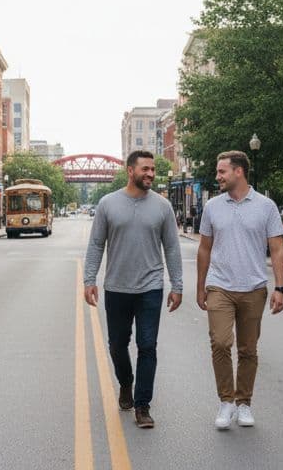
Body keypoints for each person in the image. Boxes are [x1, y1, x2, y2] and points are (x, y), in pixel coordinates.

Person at [84, 150, 183, 430]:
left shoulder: (163, 206)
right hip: (117, 287)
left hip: (151, 287)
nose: (150, 173)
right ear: (130, 171)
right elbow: (96, 244)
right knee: (117, 345)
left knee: (147, 346)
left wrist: (177, 284)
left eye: (152, 169)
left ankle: (142, 405)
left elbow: (172, 247)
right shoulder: (107, 203)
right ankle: (126, 383)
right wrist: (89, 280)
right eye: (145, 169)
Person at [196, 150, 283, 431]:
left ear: (239, 172)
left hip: (254, 288)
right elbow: (204, 248)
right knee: (221, 342)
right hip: (219, 285)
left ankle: (243, 402)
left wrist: (280, 287)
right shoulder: (212, 206)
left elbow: (277, 248)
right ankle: (226, 401)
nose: (218, 176)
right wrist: (200, 286)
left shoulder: (266, 206)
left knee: (248, 349)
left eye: (222, 171)